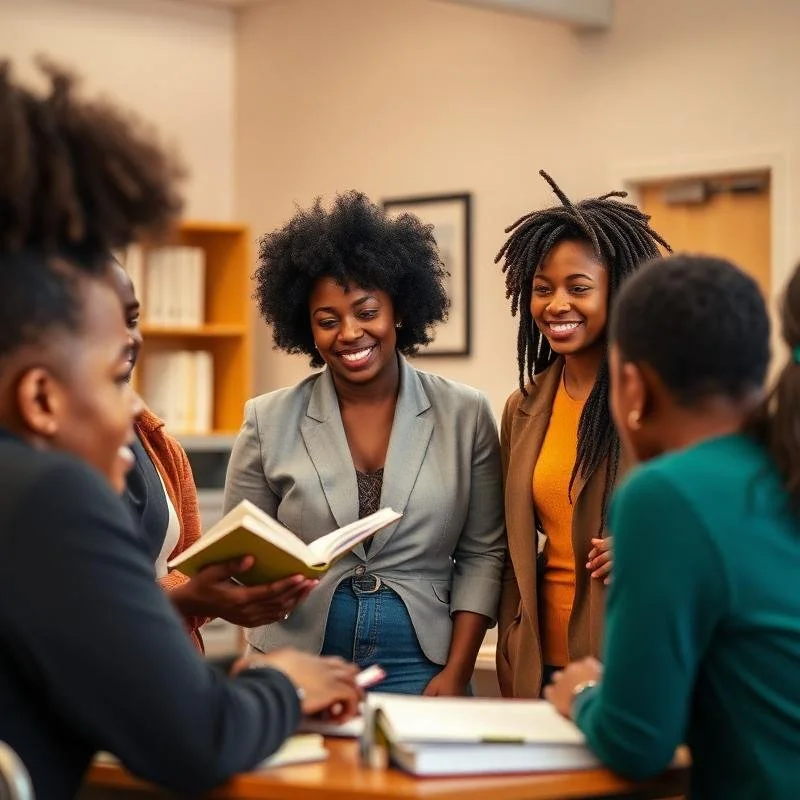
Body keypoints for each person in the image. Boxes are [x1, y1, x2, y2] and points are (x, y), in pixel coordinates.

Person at [0, 60, 360, 799]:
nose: (134, 414)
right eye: (113, 375)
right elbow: (194, 739)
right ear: (40, 397)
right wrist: (286, 684)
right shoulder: (45, 498)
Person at [224, 191, 506, 695]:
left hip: (424, 664)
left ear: (399, 309)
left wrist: (457, 671)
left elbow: (485, 555)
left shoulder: (466, 414)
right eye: (327, 321)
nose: (349, 333)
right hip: (297, 660)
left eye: (366, 312)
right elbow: (240, 555)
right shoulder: (267, 420)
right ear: (306, 330)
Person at [546, 254, 800, 798]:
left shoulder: (666, 495)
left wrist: (584, 690)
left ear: (633, 388)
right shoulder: (783, 469)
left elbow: (637, 742)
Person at [494, 170, 670, 698]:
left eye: (579, 287)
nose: (556, 305)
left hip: (629, 653)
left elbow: (723, 518)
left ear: (619, 291)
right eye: (542, 289)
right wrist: (510, 641)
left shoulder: (661, 401)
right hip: (538, 662)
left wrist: (654, 546)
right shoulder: (523, 408)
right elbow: (509, 545)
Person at [111, 263, 317, 651]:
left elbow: (185, 574)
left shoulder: (158, 443)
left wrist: (221, 593)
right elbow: (72, 611)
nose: (127, 338)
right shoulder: (36, 460)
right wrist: (188, 597)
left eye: (133, 319)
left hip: (168, 675)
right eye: (104, 320)